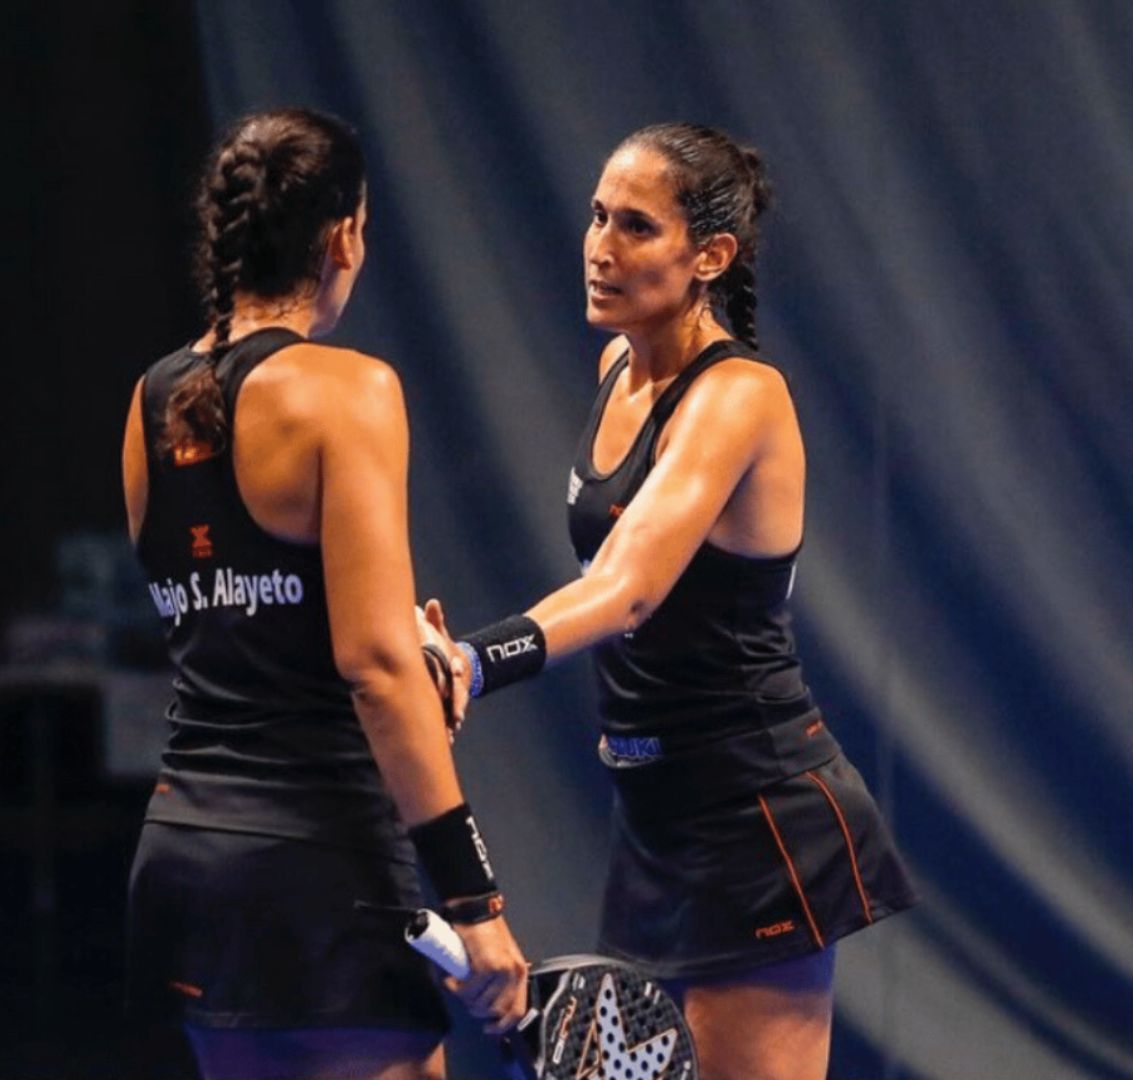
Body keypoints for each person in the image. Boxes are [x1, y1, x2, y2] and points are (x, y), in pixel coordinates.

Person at [424, 122, 918, 1079]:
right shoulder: (616, 369)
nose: (601, 247)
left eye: (637, 227)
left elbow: (626, 589)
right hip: (655, 816)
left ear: (711, 257)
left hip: (756, 811)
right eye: (597, 216)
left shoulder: (741, 397)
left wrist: (471, 663)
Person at [120, 107, 528, 1080]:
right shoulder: (351, 391)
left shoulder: (146, 404)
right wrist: (476, 903)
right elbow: (374, 670)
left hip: (184, 866)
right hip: (318, 872)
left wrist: (401, 648)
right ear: (344, 235)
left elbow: (238, 630)